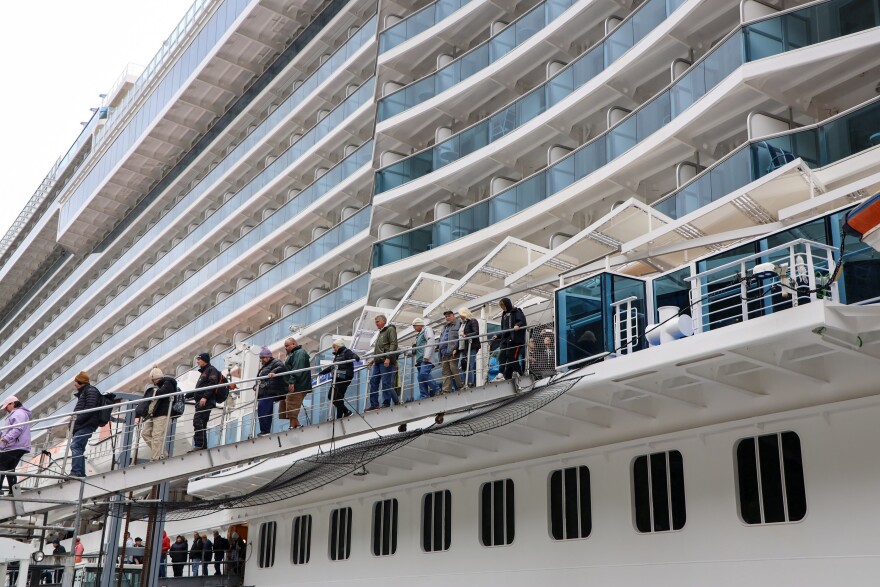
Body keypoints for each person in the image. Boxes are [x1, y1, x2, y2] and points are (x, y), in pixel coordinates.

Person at [139, 366, 176, 461]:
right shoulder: (160, 385)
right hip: (153, 415)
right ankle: (162, 453)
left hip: (162, 415)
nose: (152, 382)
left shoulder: (168, 383)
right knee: (145, 433)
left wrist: (153, 392)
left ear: (155, 378)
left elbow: (162, 393)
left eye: (152, 380)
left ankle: (155, 459)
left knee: (157, 436)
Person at [71, 372, 102, 477]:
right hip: (83, 424)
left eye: (75, 381)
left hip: (86, 424)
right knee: (79, 447)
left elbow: (90, 408)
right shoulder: (85, 392)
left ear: (80, 382)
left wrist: (77, 420)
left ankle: (76, 472)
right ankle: (80, 473)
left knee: (75, 445)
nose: (74, 383)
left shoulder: (90, 391)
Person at [367, 314, 399, 410]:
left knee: (385, 383)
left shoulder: (390, 329)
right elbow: (379, 348)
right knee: (373, 382)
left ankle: (386, 404)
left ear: (383, 321)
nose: (376, 324)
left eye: (377, 322)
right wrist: (373, 360)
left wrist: (388, 357)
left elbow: (394, 344)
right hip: (378, 362)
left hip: (386, 361)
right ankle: (374, 404)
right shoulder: (381, 332)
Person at [0, 396, 31, 494]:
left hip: (14, 445)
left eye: (6, 407)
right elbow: (12, 430)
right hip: (19, 445)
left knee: (1, 465)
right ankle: (13, 491)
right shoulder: (20, 413)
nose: (6, 410)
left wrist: (5, 438)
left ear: (12, 403)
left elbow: (17, 429)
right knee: (10, 468)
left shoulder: (18, 413)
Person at [319, 339, 357, 419]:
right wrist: (323, 372)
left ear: (339, 346)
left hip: (344, 377)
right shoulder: (338, 355)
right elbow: (333, 366)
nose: (334, 349)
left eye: (334, 347)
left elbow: (352, 355)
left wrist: (356, 357)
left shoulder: (346, 352)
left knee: (337, 397)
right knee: (332, 396)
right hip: (338, 377)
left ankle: (344, 413)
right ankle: (344, 413)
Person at [280, 338, 312, 428]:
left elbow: (298, 368)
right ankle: (296, 424)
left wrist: (292, 381)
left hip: (298, 385)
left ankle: (292, 425)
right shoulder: (292, 354)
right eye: (285, 346)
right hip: (295, 384)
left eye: (287, 346)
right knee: (288, 403)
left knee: (292, 403)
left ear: (294, 344)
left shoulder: (300, 353)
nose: (285, 348)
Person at [191, 353, 220, 451]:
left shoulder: (211, 370)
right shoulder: (204, 372)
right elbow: (201, 388)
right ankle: (202, 445)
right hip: (202, 401)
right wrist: (188, 395)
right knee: (201, 422)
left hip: (206, 401)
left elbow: (212, 384)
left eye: (199, 359)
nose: (197, 361)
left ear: (204, 360)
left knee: (198, 421)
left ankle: (200, 445)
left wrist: (205, 397)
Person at [256, 347, 286, 436]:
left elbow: (281, 367)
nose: (262, 360)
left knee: (265, 411)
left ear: (268, 357)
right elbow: (260, 379)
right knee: (262, 411)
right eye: (261, 358)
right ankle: (264, 431)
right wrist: (255, 386)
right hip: (263, 392)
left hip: (269, 391)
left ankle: (265, 431)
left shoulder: (276, 362)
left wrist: (273, 372)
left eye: (263, 358)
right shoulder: (264, 366)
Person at [495, 297, 527, 379]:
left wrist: (518, 325)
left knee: (511, 355)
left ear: (507, 305)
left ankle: (519, 372)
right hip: (506, 338)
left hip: (515, 340)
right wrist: (498, 335)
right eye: (502, 307)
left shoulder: (517, 311)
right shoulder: (504, 314)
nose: (503, 308)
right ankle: (501, 372)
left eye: (504, 306)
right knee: (502, 354)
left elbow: (522, 321)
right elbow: (504, 328)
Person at [411, 319, 440, 399]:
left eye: (414, 326)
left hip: (425, 359)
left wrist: (427, 356)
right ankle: (424, 396)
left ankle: (437, 389)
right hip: (420, 360)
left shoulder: (427, 329)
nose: (414, 328)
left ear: (419, 325)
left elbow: (430, 341)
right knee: (420, 378)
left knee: (424, 373)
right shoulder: (419, 335)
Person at [438, 311, 463, 394]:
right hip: (444, 353)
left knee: (454, 368)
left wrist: (456, 348)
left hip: (453, 351)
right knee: (445, 372)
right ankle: (446, 390)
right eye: (446, 317)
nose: (447, 318)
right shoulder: (444, 327)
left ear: (453, 316)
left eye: (449, 316)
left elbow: (460, 337)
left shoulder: (459, 323)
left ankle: (460, 386)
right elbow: (442, 338)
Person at [458, 307, 481, 387]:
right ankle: (464, 383)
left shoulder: (472, 321)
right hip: (462, 348)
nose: (460, 316)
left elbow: (476, 332)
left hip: (470, 347)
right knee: (461, 367)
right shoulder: (462, 323)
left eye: (461, 315)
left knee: (469, 365)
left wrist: (466, 335)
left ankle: (470, 383)